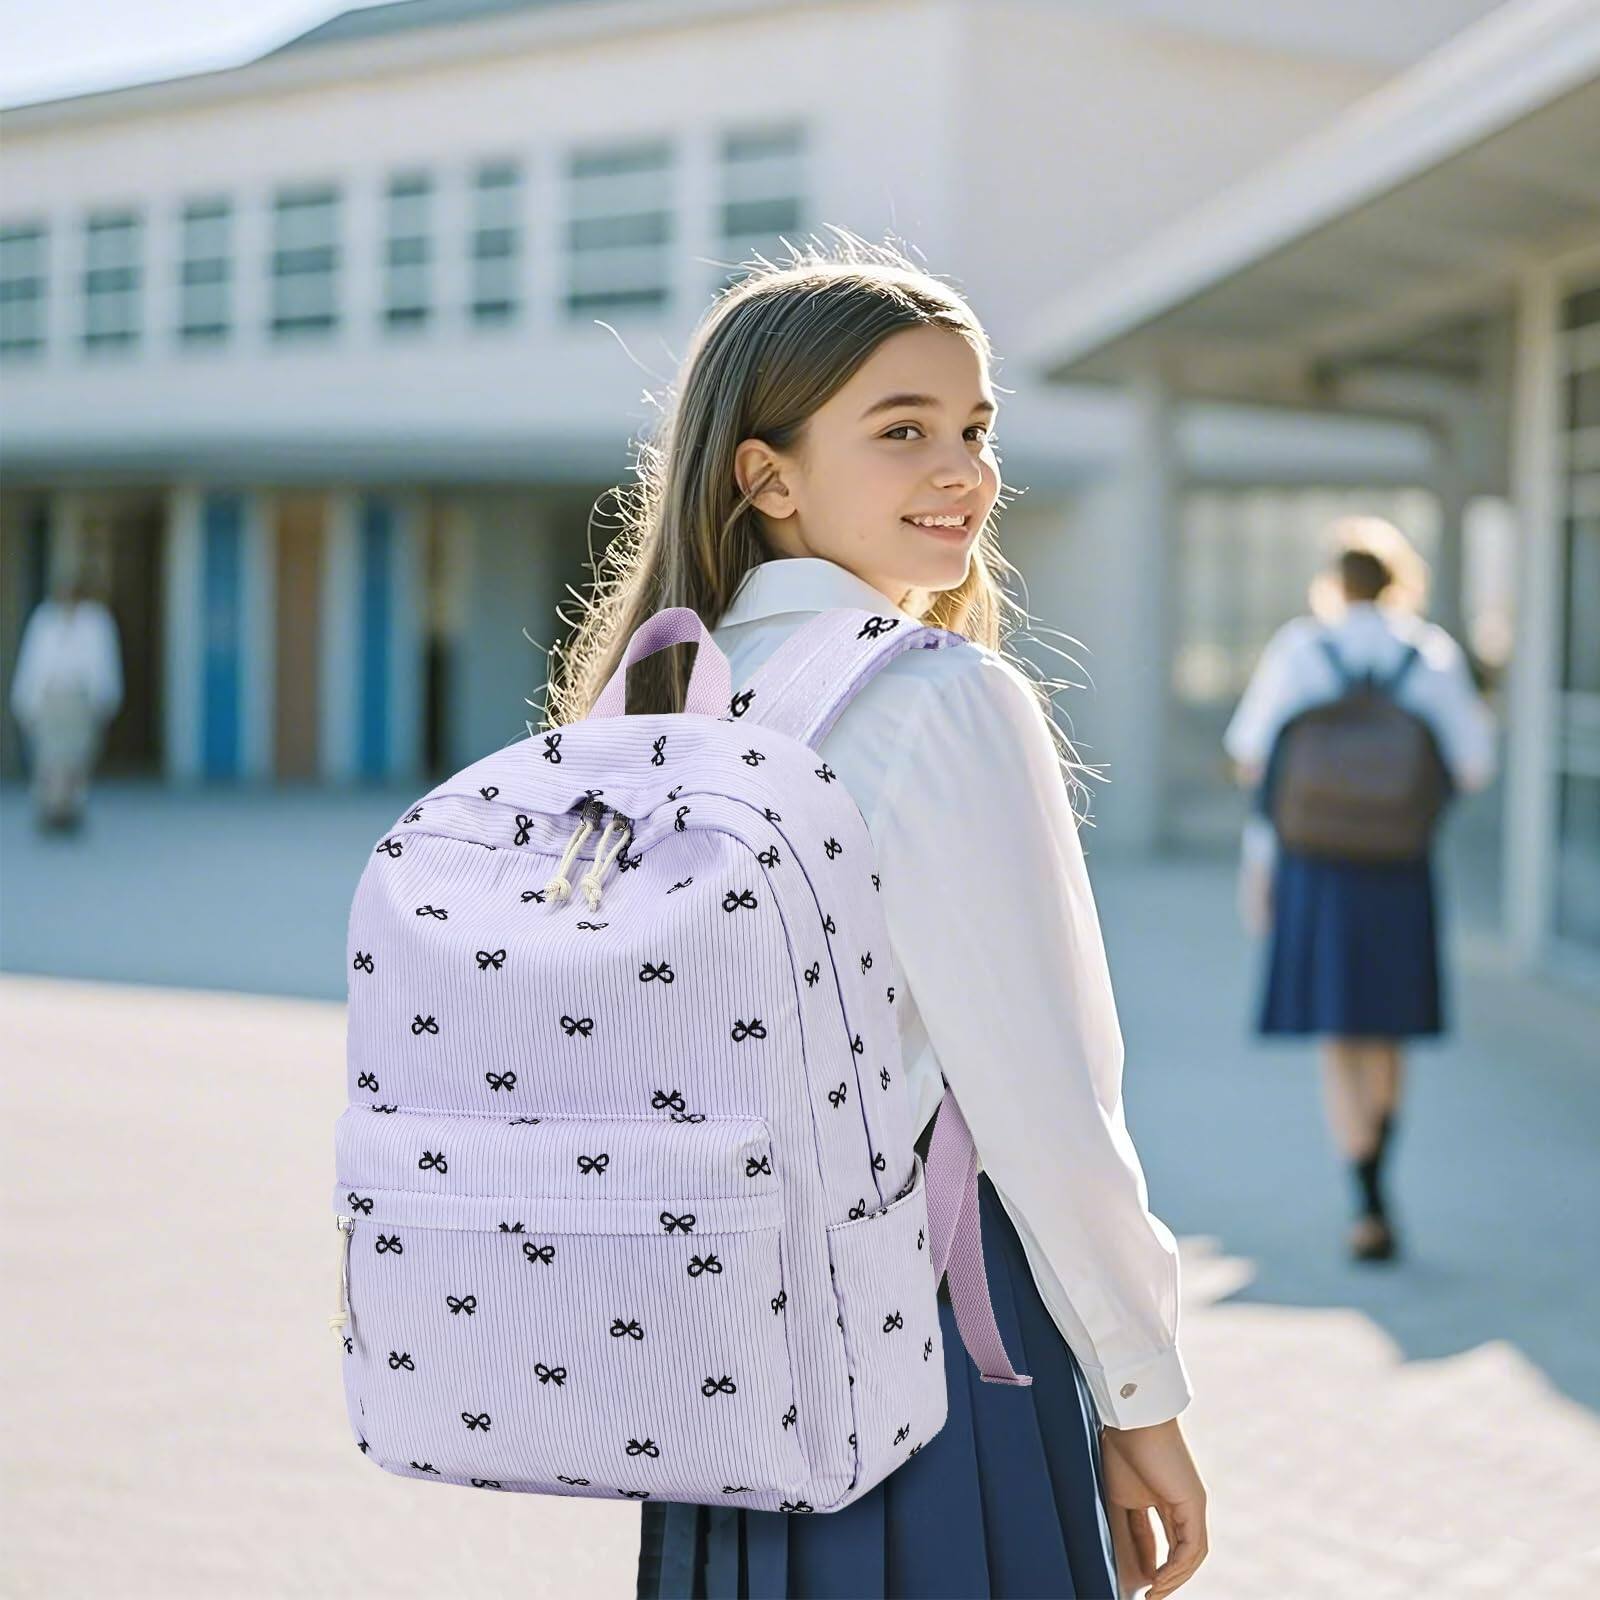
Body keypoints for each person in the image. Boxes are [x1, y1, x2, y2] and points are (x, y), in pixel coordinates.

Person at [544, 233, 1208, 1600]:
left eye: (975, 426)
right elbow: (1041, 1095)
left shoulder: (658, 701)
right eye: (902, 430)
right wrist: (1142, 1391)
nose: (962, 467)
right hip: (937, 1358)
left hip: (727, 1362)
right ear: (768, 475)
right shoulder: (936, 698)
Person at [1222, 516, 1497, 1263]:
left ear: (1333, 586)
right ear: (1403, 581)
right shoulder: (1429, 654)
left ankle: (1363, 1201)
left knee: (1340, 1034)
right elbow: (1472, 765)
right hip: (1399, 866)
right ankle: (1381, 1181)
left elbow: (1250, 755)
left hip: (1317, 865)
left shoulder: (1302, 649)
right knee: (1387, 1030)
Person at [8, 566, 124, 832]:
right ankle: (49, 811)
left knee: (77, 758)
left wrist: (105, 700)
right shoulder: (45, 620)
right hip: (50, 700)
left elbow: (103, 662)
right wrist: (26, 701)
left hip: (80, 700)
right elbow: (33, 663)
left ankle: (71, 811)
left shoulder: (95, 622)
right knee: (48, 759)